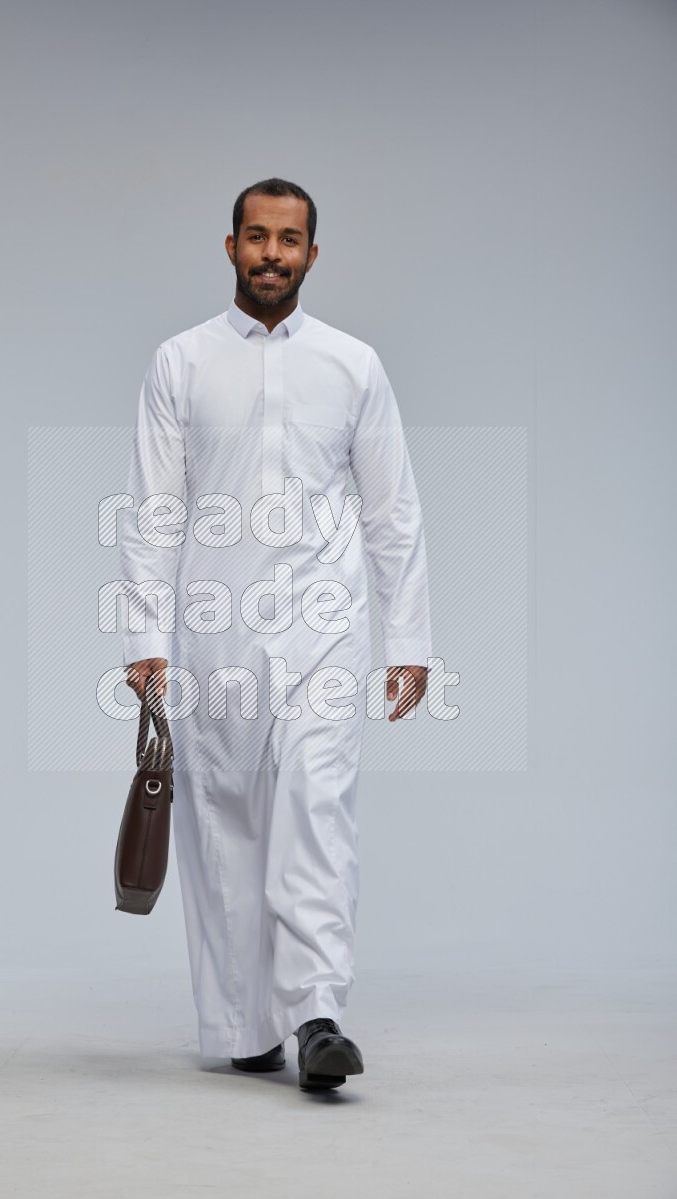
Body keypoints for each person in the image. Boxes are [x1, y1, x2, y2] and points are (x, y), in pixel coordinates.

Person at [119, 177, 432, 1092]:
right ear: (230, 248)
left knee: (316, 808)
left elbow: (393, 511)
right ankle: (240, 1022)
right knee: (223, 823)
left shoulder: (353, 365)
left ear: (312, 254)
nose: (270, 254)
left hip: (325, 629)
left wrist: (406, 640)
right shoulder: (179, 363)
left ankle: (317, 1011)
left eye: (288, 240)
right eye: (256, 237)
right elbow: (151, 510)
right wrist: (145, 635)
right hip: (214, 628)